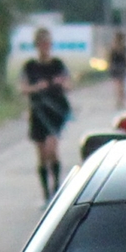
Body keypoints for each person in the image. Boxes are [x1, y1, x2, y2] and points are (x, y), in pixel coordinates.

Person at [22, 27, 71, 198]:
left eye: (47, 43)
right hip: (38, 112)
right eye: (41, 44)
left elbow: (68, 84)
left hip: (54, 112)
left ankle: (56, 185)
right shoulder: (30, 66)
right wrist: (36, 87)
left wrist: (61, 83)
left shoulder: (57, 65)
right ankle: (45, 191)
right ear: (37, 45)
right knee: (41, 154)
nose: (45, 47)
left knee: (52, 149)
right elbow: (23, 88)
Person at [108, 29, 126, 110]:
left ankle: (118, 100)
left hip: (115, 67)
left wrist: (109, 66)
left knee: (117, 85)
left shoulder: (113, 47)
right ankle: (122, 100)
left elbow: (110, 59)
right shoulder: (124, 47)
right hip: (122, 67)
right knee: (122, 85)